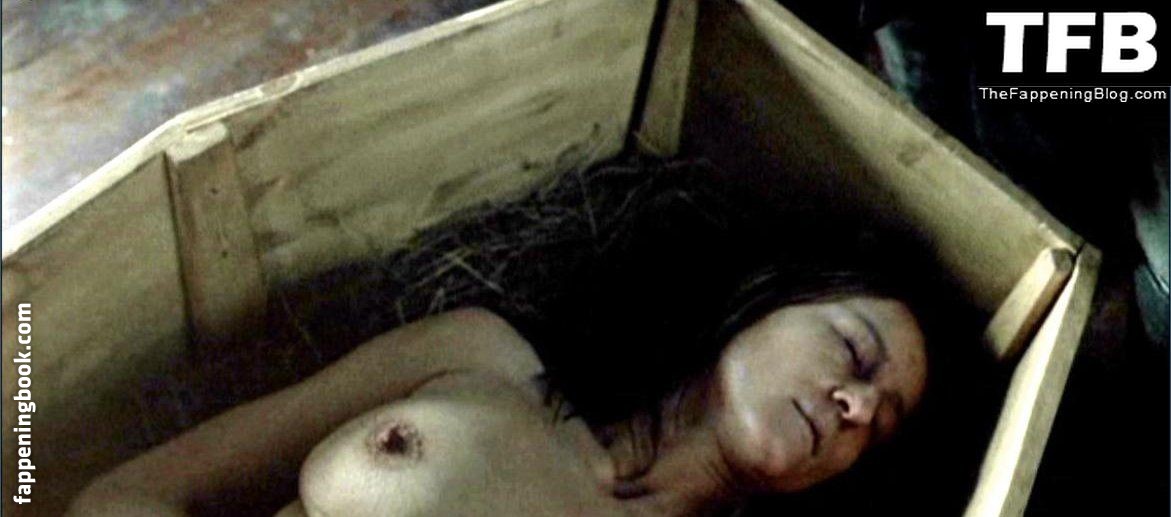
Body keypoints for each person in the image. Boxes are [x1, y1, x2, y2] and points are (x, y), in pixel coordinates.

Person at [69, 171, 930, 516]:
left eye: (881, 421)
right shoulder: (480, 359)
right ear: (761, 300)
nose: (856, 405)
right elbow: (133, 493)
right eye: (852, 352)